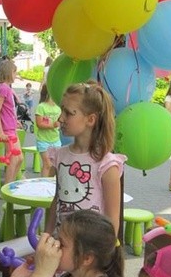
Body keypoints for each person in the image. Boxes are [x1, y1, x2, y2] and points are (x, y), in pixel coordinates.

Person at [45, 81, 126, 236]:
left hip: (91, 250)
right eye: (61, 110)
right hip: (61, 244)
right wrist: (46, 236)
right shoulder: (60, 156)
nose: (60, 118)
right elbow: (57, 201)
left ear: (90, 120)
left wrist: (104, 256)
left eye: (68, 113)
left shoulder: (107, 165)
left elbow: (112, 221)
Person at [0, 59, 24, 184]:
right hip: (7, 129)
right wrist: (0, 132)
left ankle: (11, 183)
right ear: (9, 72)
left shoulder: (7, 88)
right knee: (14, 159)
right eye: (15, 72)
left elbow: (8, 109)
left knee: (19, 158)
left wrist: (15, 121)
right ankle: (7, 187)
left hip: (11, 127)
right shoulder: (4, 88)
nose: (16, 75)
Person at [34, 84, 62, 176]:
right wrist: (53, 125)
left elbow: (61, 121)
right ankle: (44, 186)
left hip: (55, 139)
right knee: (47, 164)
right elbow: (39, 124)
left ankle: (50, 184)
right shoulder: (41, 107)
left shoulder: (59, 108)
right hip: (43, 140)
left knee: (54, 165)